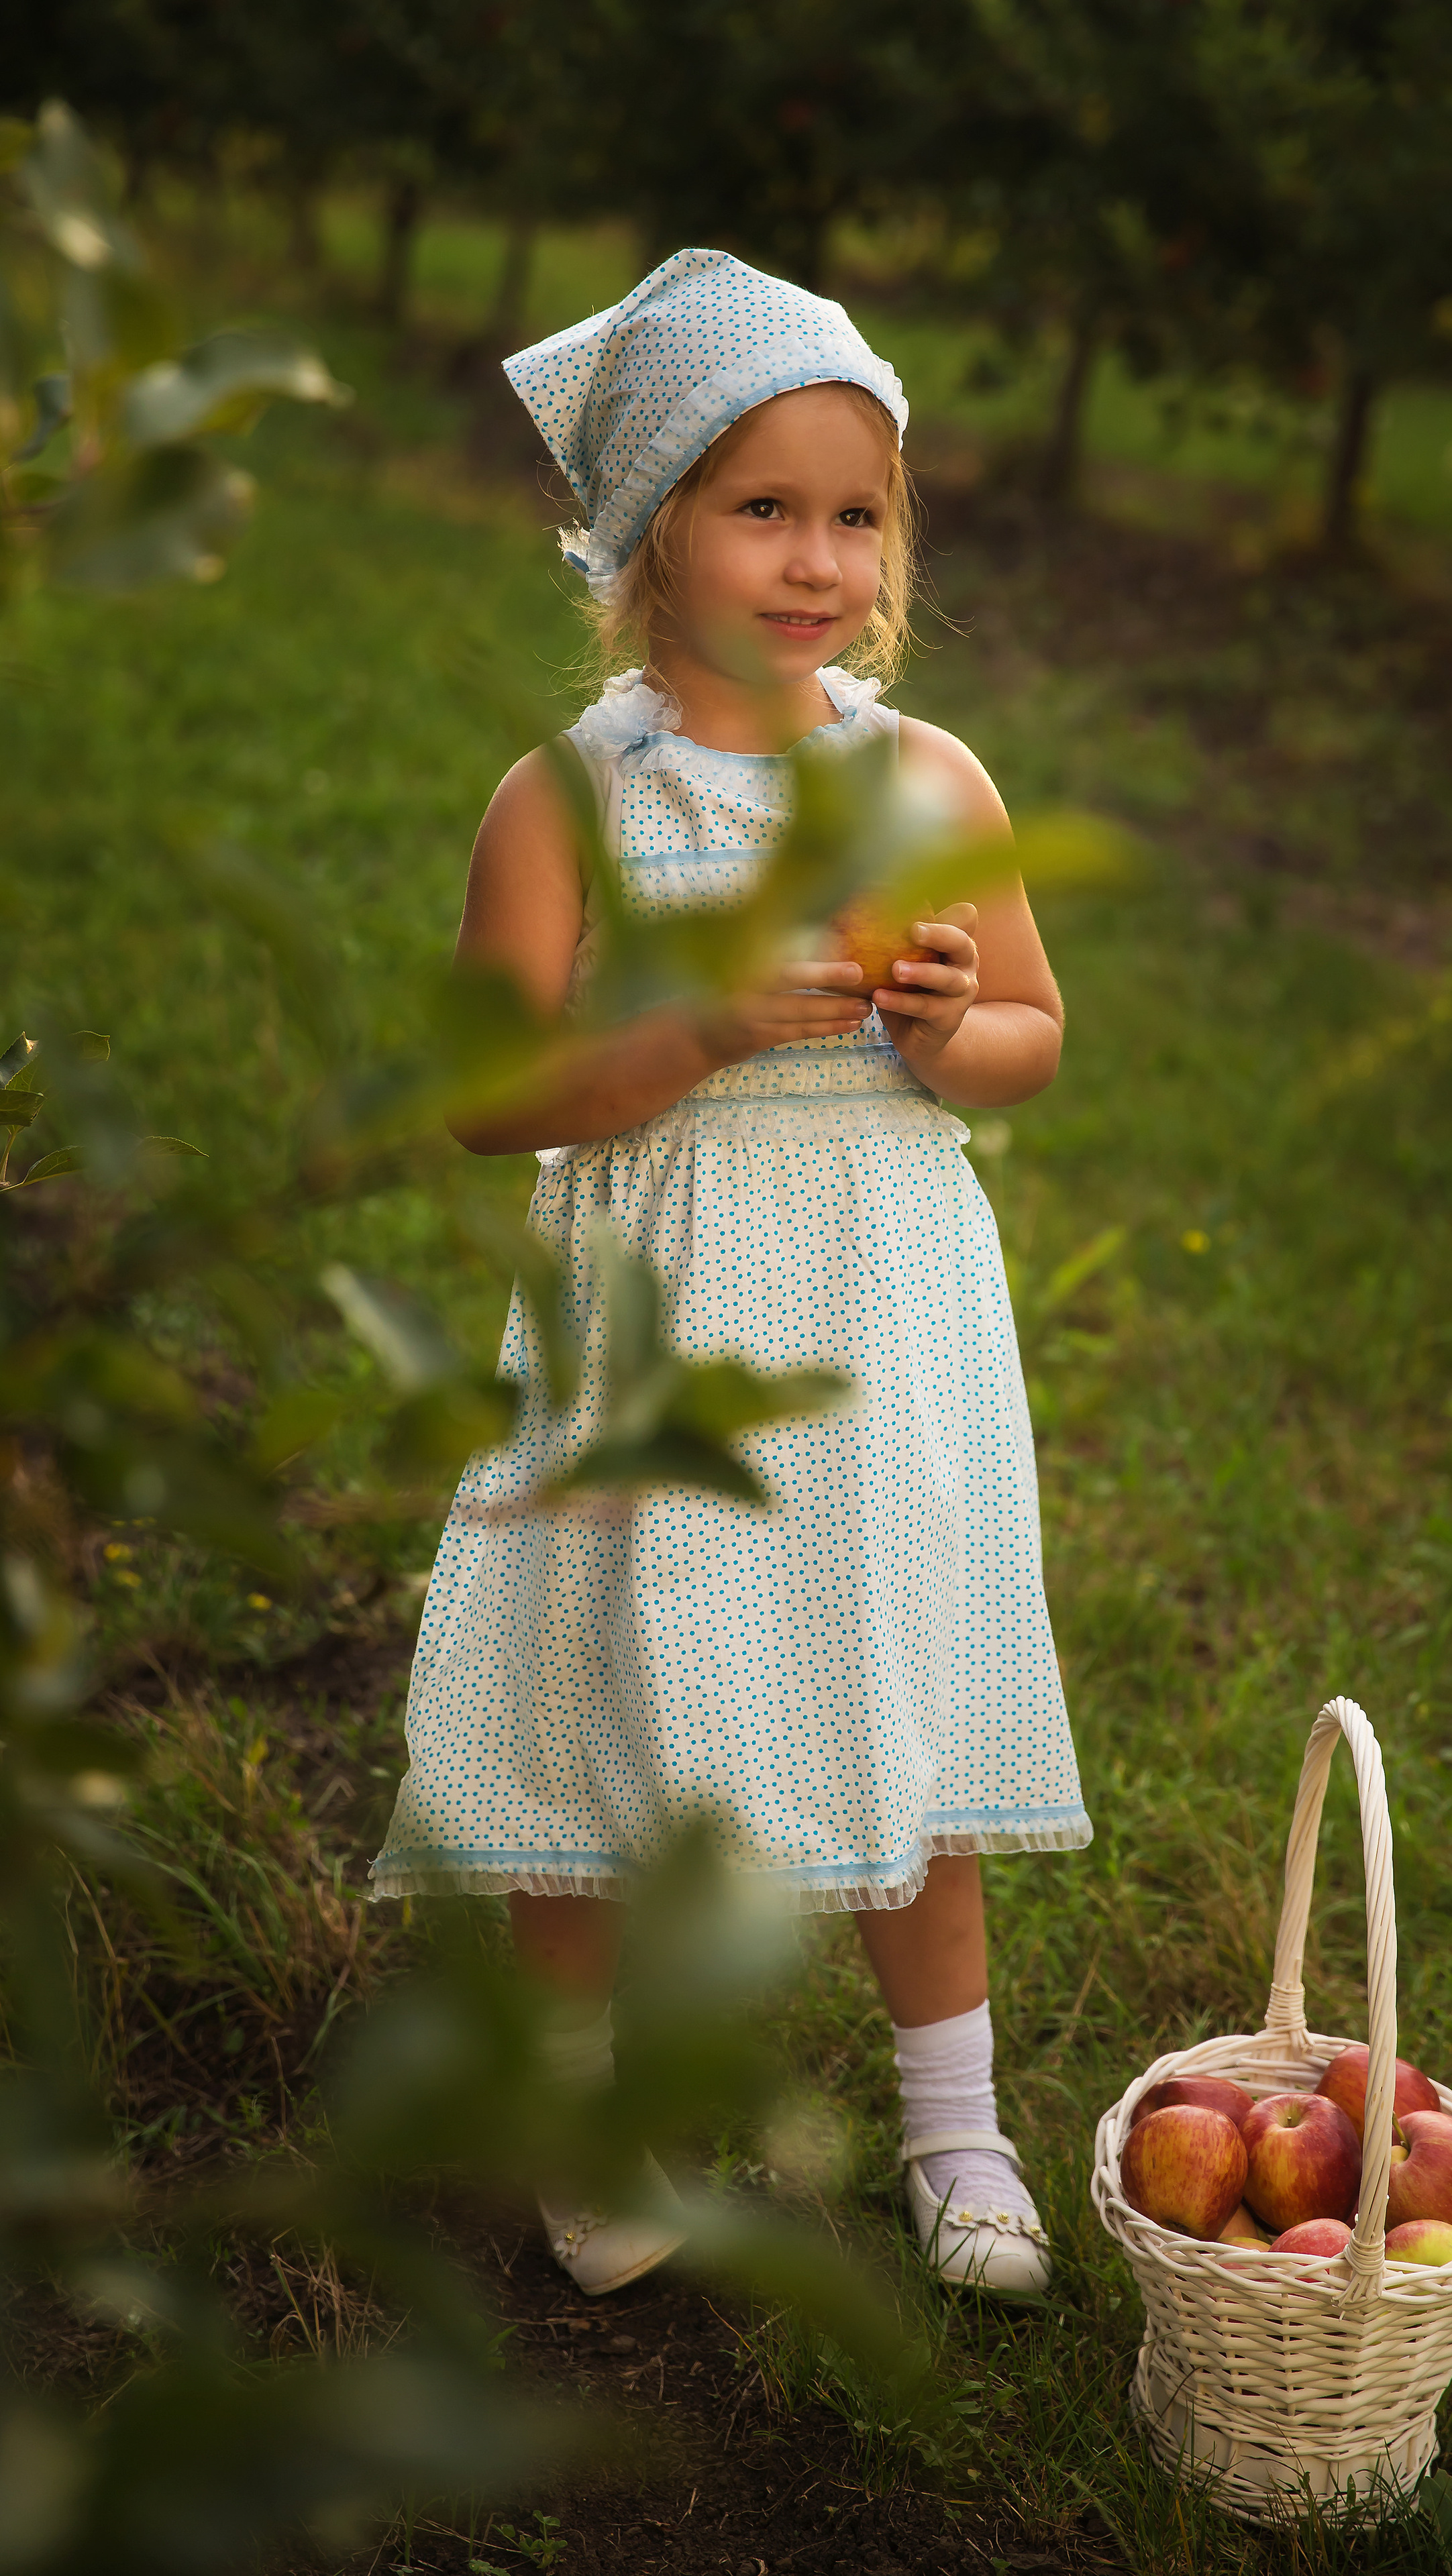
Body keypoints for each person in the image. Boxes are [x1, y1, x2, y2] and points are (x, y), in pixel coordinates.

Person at [370, 248, 1091, 2299]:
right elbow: (486, 1094)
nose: (817, 558)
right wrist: (683, 1027)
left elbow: (1034, 1041)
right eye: (761, 507)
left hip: (879, 1332)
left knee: (912, 1710)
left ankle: (957, 2133)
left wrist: (952, 1021)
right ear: (645, 529)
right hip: (660, 1326)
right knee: (605, 1710)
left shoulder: (929, 784)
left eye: (856, 515)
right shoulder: (573, 808)